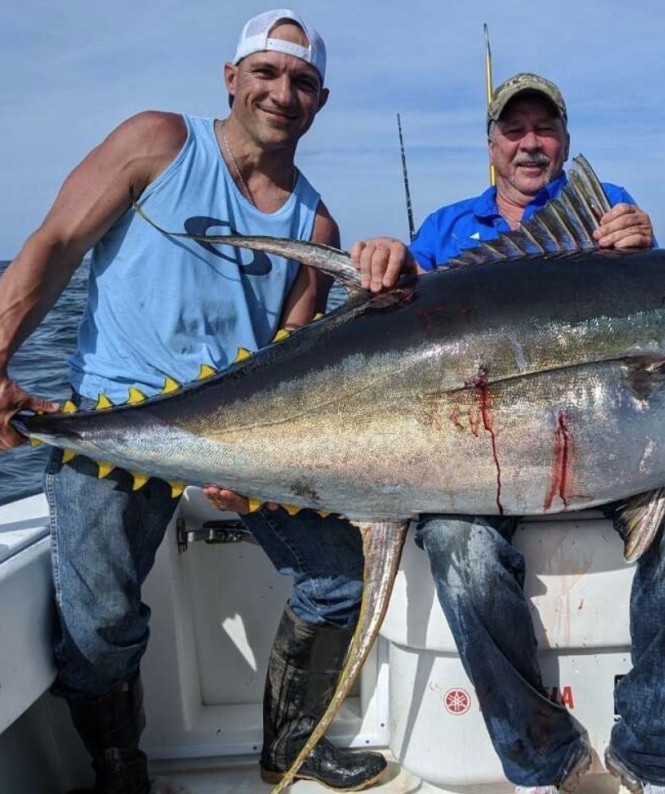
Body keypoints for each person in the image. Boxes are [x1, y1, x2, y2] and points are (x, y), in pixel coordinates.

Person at [0, 10, 386, 793]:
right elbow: (53, 245)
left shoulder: (316, 225)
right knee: (100, 624)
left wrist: (256, 466)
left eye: (303, 82)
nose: (283, 93)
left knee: (340, 575)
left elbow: (291, 356)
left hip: (238, 442)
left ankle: (290, 746)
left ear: (322, 100)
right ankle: (120, 768)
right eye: (268, 74)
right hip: (114, 426)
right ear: (231, 77)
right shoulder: (157, 143)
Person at [353, 73, 665, 794]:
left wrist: (638, 245)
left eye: (543, 130)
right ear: (491, 145)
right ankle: (538, 761)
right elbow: (395, 333)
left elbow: (659, 307)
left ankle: (652, 758)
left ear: (565, 143)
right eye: (513, 130)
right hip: (482, 456)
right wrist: (385, 263)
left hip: (619, 445)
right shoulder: (449, 229)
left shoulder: (606, 213)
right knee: (456, 545)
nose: (529, 144)